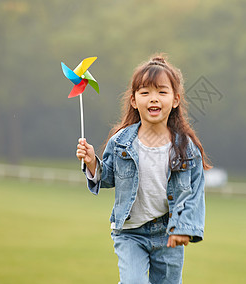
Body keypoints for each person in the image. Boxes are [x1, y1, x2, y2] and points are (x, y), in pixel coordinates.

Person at [76, 54, 211, 284]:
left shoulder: (186, 149)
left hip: (168, 232)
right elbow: (108, 177)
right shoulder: (121, 142)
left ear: (176, 99)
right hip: (130, 232)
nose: (153, 99)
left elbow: (195, 192)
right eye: (145, 92)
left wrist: (185, 227)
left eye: (161, 91)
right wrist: (91, 162)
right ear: (133, 100)